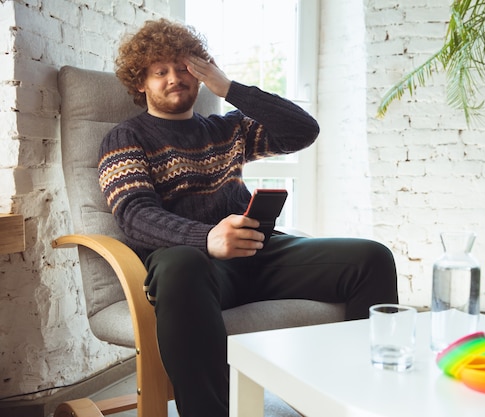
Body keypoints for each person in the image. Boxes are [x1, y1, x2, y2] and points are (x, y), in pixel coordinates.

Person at [98, 18, 398, 417]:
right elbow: (134, 214)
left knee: (371, 258)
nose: (175, 78)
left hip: (257, 253)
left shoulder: (227, 129)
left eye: (183, 67)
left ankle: (361, 401)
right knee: (181, 264)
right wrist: (206, 238)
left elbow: (302, 131)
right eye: (160, 71)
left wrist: (231, 89)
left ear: (201, 72)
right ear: (141, 83)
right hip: (194, 269)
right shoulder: (125, 137)